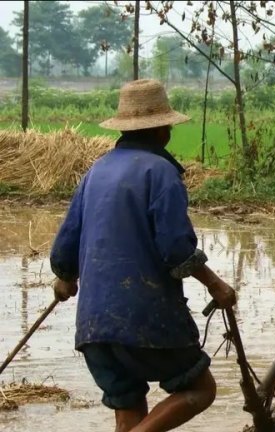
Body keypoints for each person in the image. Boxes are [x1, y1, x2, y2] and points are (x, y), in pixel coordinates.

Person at [49, 79, 237, 432]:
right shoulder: (161, 172)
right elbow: (176, 250)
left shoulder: (96, 171)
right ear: (163, 129)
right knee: (201, 389)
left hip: (94, 328)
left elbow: (64, 248)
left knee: (129, 412)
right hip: (146, 320)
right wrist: (216, 285)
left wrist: (64, 278)